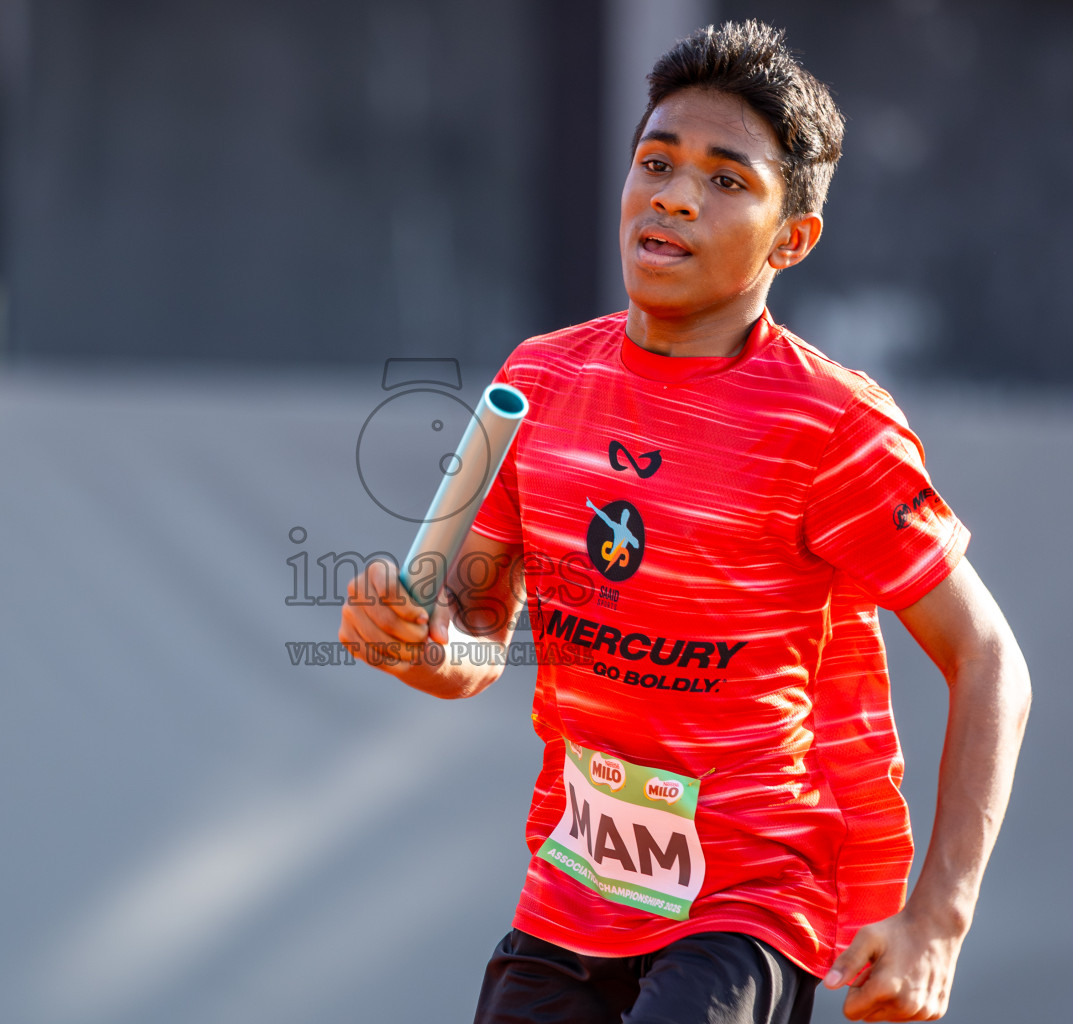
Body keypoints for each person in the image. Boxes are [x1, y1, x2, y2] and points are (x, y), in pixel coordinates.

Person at [338, 20, 1030, 1024]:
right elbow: (477, 630)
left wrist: (938, 922)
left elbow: (992, 660)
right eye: (656, 162)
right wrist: (419, 644)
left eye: (727, 180)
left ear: (793, 238)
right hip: (571, 899)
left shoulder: (832, 426)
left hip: (754, 910)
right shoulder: (537, 379)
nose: (672, 195)